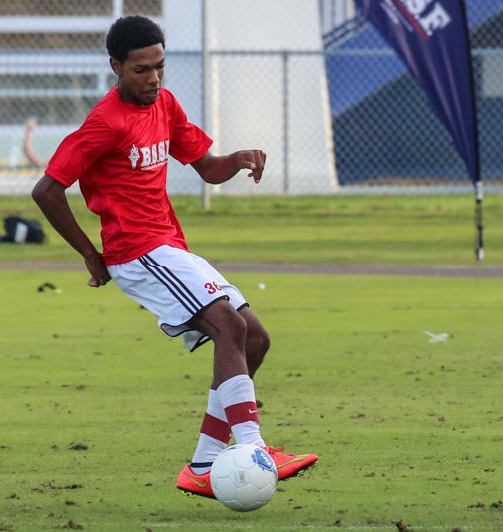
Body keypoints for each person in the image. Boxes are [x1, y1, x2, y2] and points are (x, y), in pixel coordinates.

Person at [31, 15, 318, 498]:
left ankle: (204, 463)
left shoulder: (164, 104)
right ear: (116, 67)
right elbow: (46, 190)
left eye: (159, 66)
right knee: (230, 327)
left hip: (168, 247)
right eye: (141, 69)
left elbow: (207, 168)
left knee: (254, 340)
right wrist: (90, 255)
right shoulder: (104, 123)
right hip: (136, 252)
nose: (154, 78)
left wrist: (238, 159)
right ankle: (253, 449)